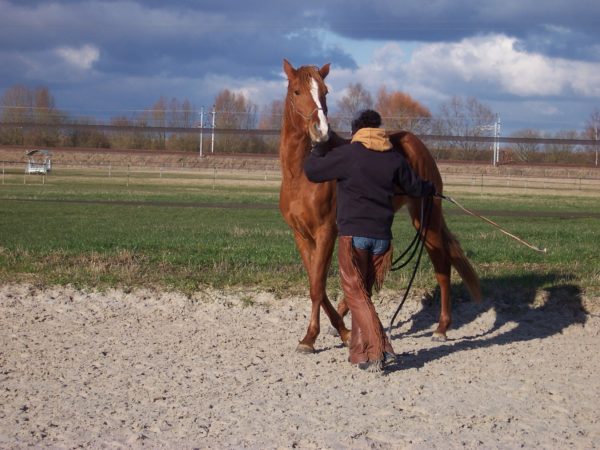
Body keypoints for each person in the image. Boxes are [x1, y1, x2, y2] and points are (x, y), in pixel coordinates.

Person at [304, 109, 436, 373]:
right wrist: (430, 189)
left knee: (356, 295)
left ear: (356, 132)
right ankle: (359, 354)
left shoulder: (348, 154)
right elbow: (415, 187)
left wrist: (317, 148)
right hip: (382, 241)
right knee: (362, 293)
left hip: (354, 237)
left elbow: (313, 172)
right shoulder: (394, 159)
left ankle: (380, 348)